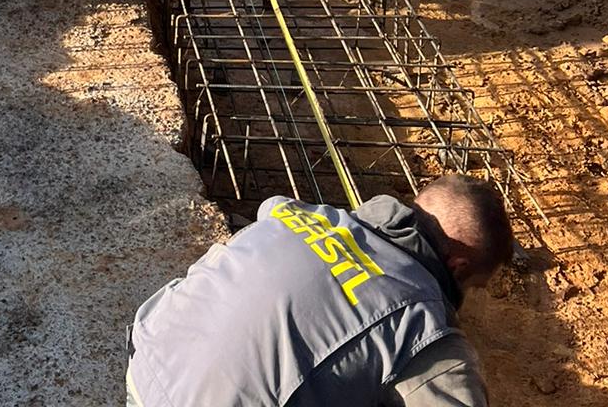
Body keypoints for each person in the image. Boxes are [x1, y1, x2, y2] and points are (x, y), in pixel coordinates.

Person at [126, 174, 514, 407]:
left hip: (147, 371)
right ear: (458, 267)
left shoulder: (301, 213)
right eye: (473, 286)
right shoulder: (423, 324)